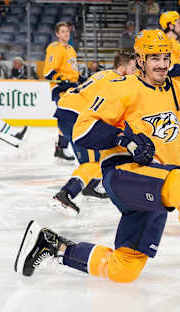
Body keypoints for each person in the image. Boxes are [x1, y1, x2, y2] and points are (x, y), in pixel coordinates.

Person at [14, 29, 180, 308]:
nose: (162, 64)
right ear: (140, 60)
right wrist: (123, 139)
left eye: (166, 58)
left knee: (125, 269)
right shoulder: (121, 88)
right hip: (124, 174)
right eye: (155, 59)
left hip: (160, 181)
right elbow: (82, 131)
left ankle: (52, 246)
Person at [49, 51, 137, 215]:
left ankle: (90, 187)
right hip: (78, 117)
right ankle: (65, 194)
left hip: (67, 111)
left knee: (98, 156)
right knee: (94, 163)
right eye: (133, 68)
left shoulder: (103, 74)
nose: (136, 72)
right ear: (123, 69)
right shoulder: (117, 80)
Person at [44, 21, 86, 162]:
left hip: (72, 88)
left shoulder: (70, 49)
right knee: (67, 118)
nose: (66, 33)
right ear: (57, 34)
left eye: (67, 31)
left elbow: (72, 70)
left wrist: (81, 78)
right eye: (62, 31)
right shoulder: (55, 48)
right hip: (61, 89)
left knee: (71, 118)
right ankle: (62, 148)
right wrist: (62, 79)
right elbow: (48, 71)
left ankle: (62, 147)